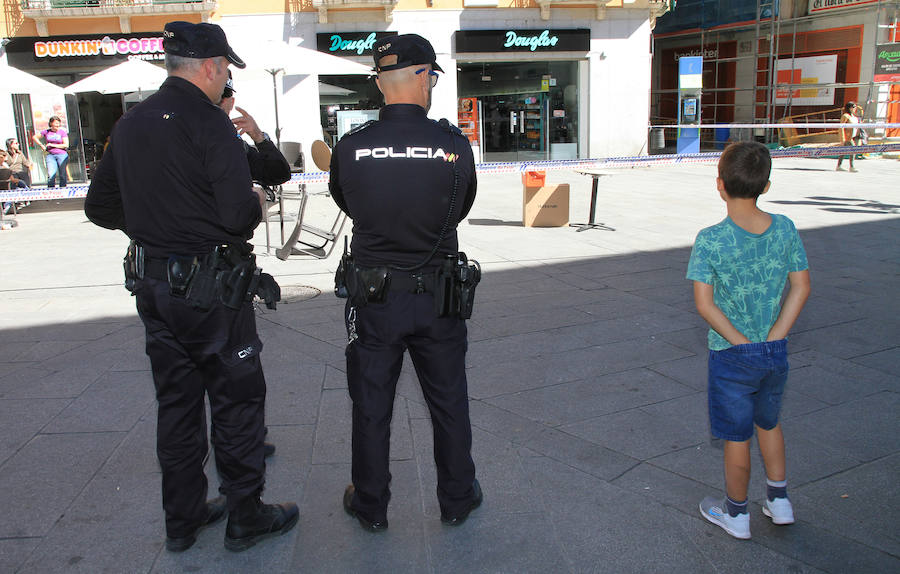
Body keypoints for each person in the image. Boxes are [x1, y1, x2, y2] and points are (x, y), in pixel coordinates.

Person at [84, 20, 297, 553]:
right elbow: (237, 214)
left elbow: (99, 207)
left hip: (155, 287)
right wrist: (259, 202)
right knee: (237, 399)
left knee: (176, 405)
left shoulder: (131, 123)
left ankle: (182, 519)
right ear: (211, 68)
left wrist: (156, 228)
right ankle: (246, 512)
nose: (224, 77)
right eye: (224, 69)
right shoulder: (210, 125)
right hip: (212, 293)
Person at [328, 33, 481, 532]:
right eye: (433, 76)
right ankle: (457, 498)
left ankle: (371, 506)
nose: (434, 85)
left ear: (380, 82)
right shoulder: (454, 147)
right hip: (438, 296)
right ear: (421, 76)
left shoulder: (350, 149)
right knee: (449, 401)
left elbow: (349, 205)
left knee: (371, 406)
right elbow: (461, 209)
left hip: (375, 299)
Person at [686, 141, 811, 540]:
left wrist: (740, 342)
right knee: (769, 423)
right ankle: (780, 500)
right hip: (774, 352)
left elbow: (705, 305)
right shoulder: (786, 229)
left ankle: (736, 514)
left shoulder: (710, 239)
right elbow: (801, 287)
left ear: (718, 184)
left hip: (731, 355)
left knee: (736, 436)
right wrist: (775, 336)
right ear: (767, 185)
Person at [218, 70, 290, 457]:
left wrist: (257, 136)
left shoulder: (140, 128)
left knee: (179, 389)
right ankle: (245, 454)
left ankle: (186, 506)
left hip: (164, 276)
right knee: (238, 367)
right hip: (221, 275)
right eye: (228, 93)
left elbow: (279, 172)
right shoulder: (220, 142)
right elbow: (244, 214)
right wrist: (252, 204)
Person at [32, 116, 69, 187]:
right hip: (50, 155)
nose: (57, 125)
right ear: (51, 124)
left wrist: (52, 145)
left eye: (59, 123)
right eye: (56, 123)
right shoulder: (46, 132)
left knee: (62, 174)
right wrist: (41, 145)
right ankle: (51, 190)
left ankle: (63, 189)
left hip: (61, 154)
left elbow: (66, 145)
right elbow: (34, 137)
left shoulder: (62, 132)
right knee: (51, 174)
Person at [836, 101, 858, 172]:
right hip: (847, 137)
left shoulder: (854, 117)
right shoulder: (845, 116)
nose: (855, 108)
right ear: (850, 108)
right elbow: (841, 127)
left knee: (843, 151)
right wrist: (842, 139)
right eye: (854, 107)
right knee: (853, 150)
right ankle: (852, 167)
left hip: (852, 136)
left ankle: (839, 166)